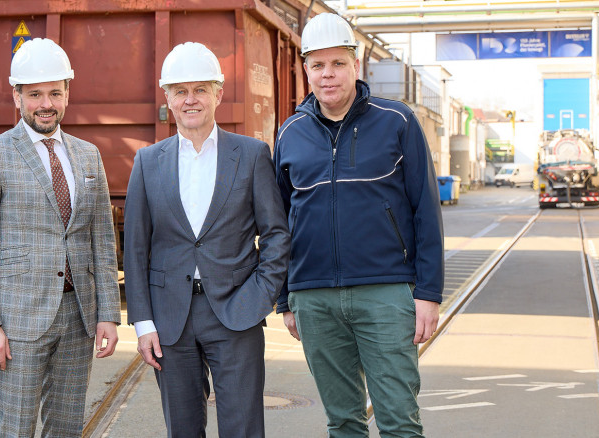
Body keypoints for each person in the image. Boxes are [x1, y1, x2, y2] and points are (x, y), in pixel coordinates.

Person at [273, 13, 443, 438]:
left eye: (337, 64)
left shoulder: (397, 120)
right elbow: (279, 222)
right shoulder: (290, 132)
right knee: (343, 422)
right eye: (318, 65)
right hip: (314, 298)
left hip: (385, 293)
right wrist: (285, 299)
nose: (327, 75)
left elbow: (426, 210)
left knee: (399, 420)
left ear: (356, 64)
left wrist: (429, 294)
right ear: (305, 68)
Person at [123, 42, 290, 437]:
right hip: (169, 321)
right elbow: (136, 249)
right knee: (182, 429)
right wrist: (143, 323)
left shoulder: (250, 155)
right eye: (180, 91)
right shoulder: (148, 162)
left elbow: (277, 235)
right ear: (167, 98)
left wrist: (259, 296)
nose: (190, 100)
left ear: (219, 93)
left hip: (236, 312)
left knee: (243, 428)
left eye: (200, 89)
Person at [0, 38, 120, 437]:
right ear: (17, 96)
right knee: (16, 429)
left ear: (67, 93)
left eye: (54, 93)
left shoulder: (87, 155)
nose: (45, 103)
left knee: (66, 428)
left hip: (77, 316)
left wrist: (107, 314)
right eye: (35, 95)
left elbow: (101, 240)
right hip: (17, 321)